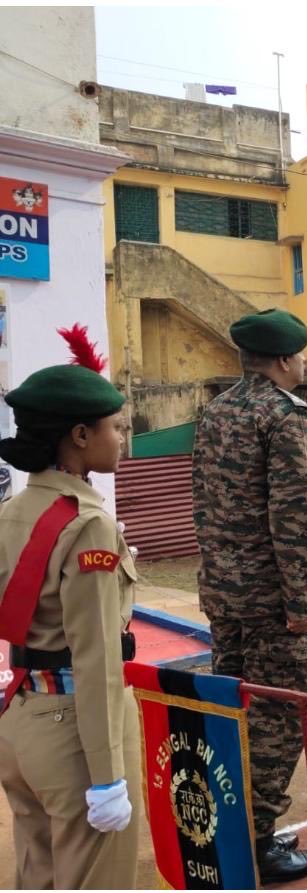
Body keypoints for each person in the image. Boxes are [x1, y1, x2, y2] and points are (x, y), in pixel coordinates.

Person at [0, 324, 139, 889]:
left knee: (38, 873)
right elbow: (98, 656)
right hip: (75, 735)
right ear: (80, 436)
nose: (121, 438)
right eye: (114, 427)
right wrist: (107, 777)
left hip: (20, 719)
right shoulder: (88, 526)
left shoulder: (12, 510)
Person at [191, 308, 307, 883]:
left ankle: (232, 820)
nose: (303, 364)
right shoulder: (285, 415)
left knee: (232, 709)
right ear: (285, 359)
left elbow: (204, 506)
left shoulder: (215, 411)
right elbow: (294, 519)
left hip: (225, 597)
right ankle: (258, 840)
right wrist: (302, 605)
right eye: (301, 355)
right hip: (273, 602)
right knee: (277, 717)